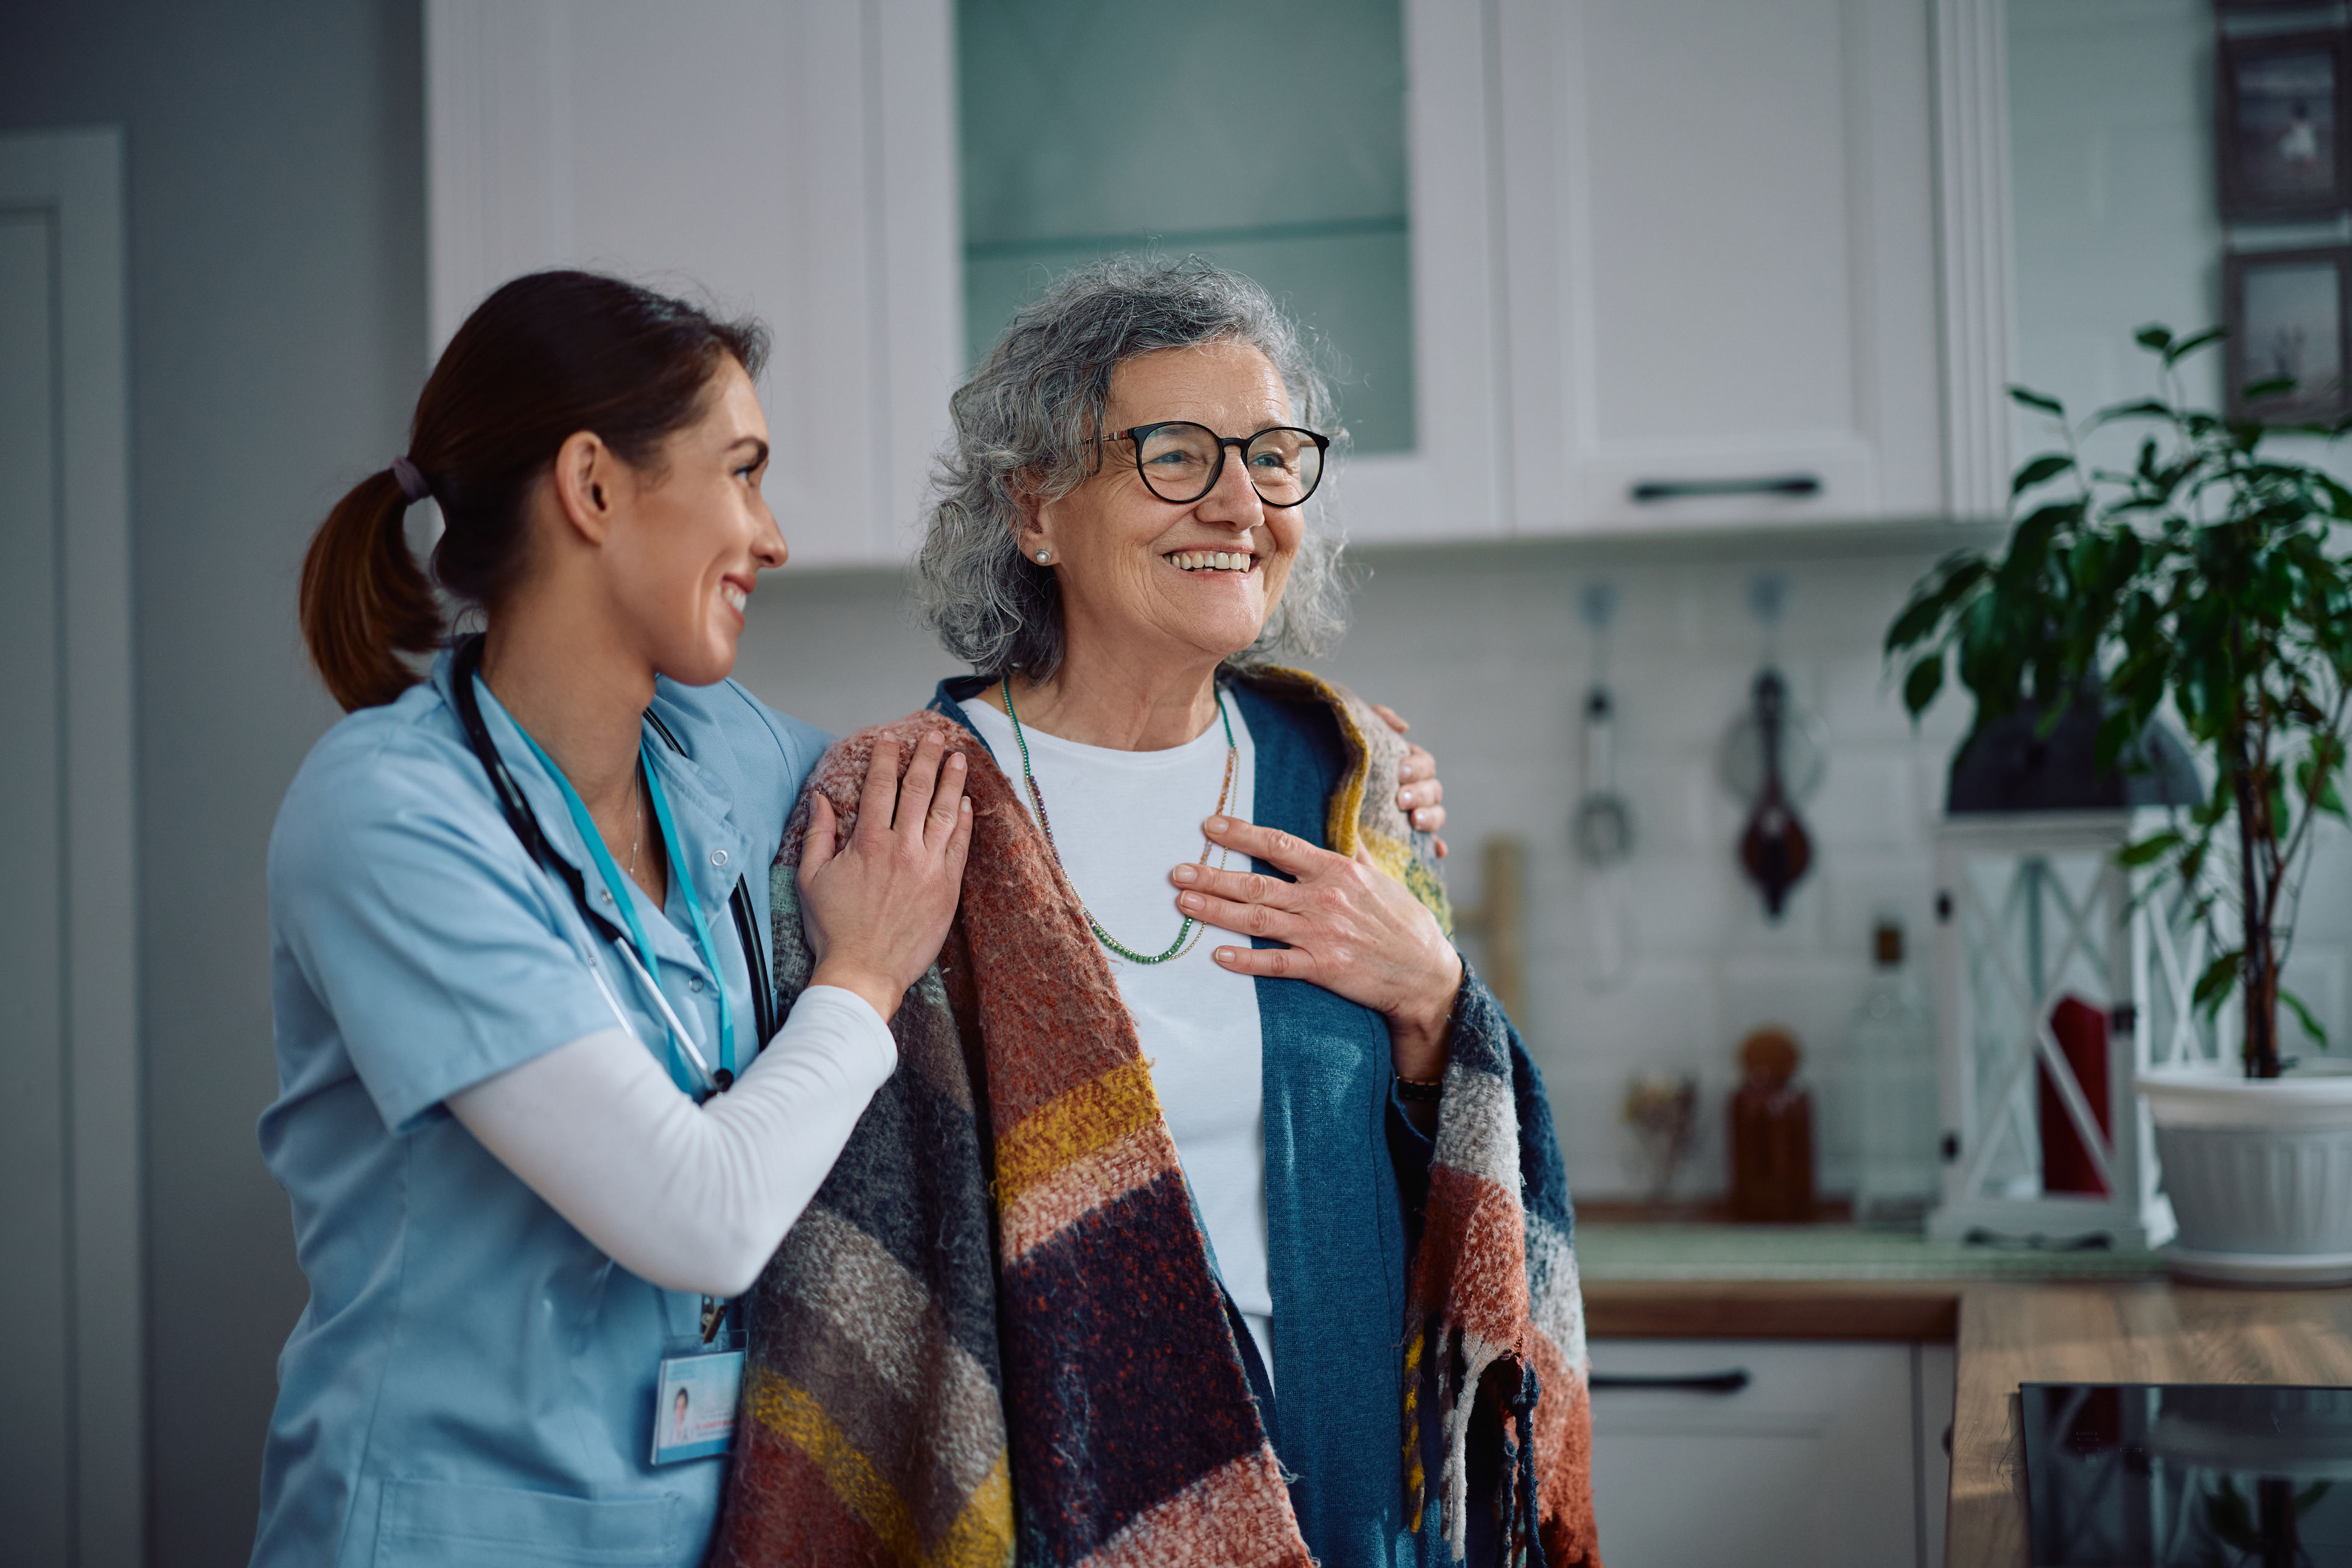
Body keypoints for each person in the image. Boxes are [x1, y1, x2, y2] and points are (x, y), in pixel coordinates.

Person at [713, 258, 1595, 1568]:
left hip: (1358, 1510)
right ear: (1035, 508)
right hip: (1055, 1520)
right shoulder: (906, 807)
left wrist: (1434, 1000)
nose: (1241, 501)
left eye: (1275, 453)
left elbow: (1442, 1194)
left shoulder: (1352, 778)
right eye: (1175, 454)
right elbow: (860, 1223)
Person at [250, 270, 975, 1566]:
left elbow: (968, 787)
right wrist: (859, 978)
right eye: (742, 473)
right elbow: (696, 1213)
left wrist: (1337, 754)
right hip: (448, 1533)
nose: (772, 535)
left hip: (716, 1528)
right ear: (592, 487)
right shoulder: (385, 819)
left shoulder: (721, 749)